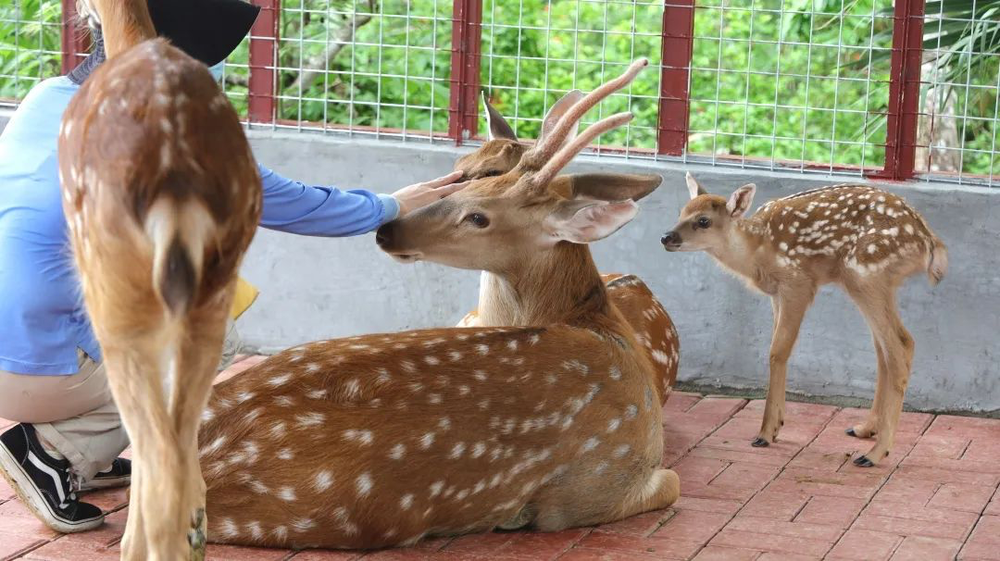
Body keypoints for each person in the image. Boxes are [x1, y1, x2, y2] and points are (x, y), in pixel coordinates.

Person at [0, 0, 466, 533]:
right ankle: (54, 452)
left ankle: (93, 452)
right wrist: (391, 205)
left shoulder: (45, 97)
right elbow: (292, 204)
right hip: (35, 375)